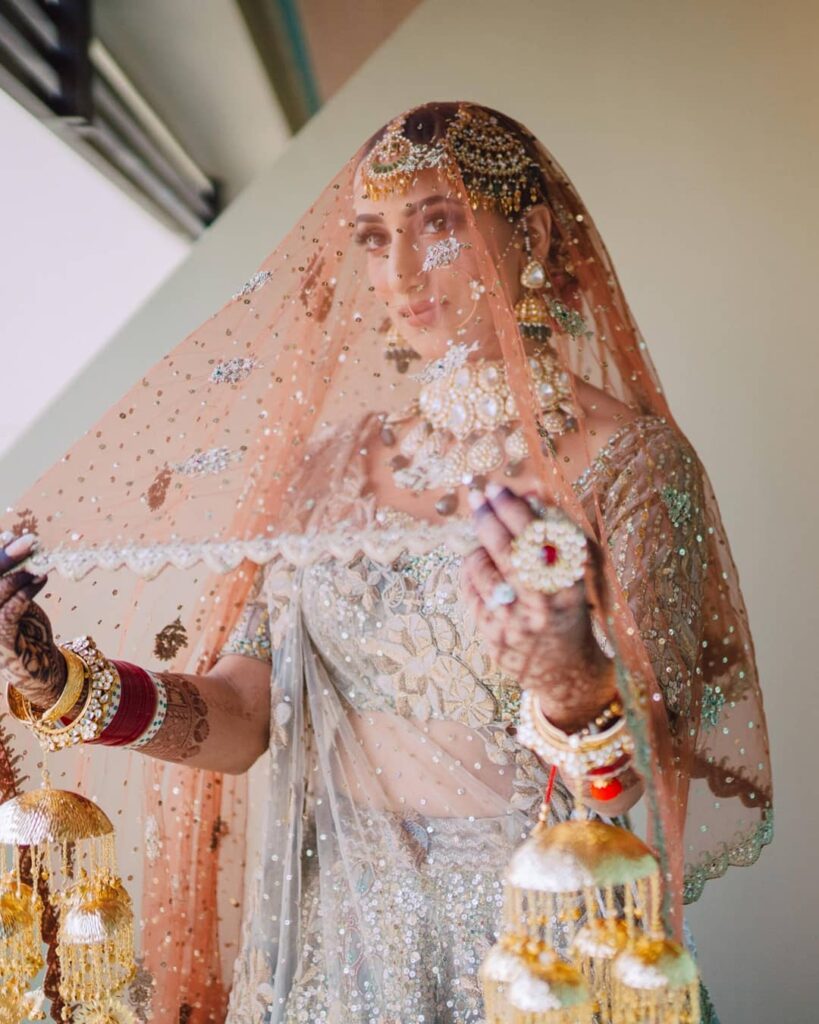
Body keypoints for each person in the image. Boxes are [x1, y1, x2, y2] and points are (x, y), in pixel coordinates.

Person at [0, 102, 772, 1024]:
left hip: (526, 944)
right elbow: (244, 719)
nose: (399, 271)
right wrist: (64, 683)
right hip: (331, 941)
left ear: (525, 232)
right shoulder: (330, 466)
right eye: (372, 238)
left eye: (435, 224)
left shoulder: (627, 464)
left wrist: (569, 681)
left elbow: (644, 762)